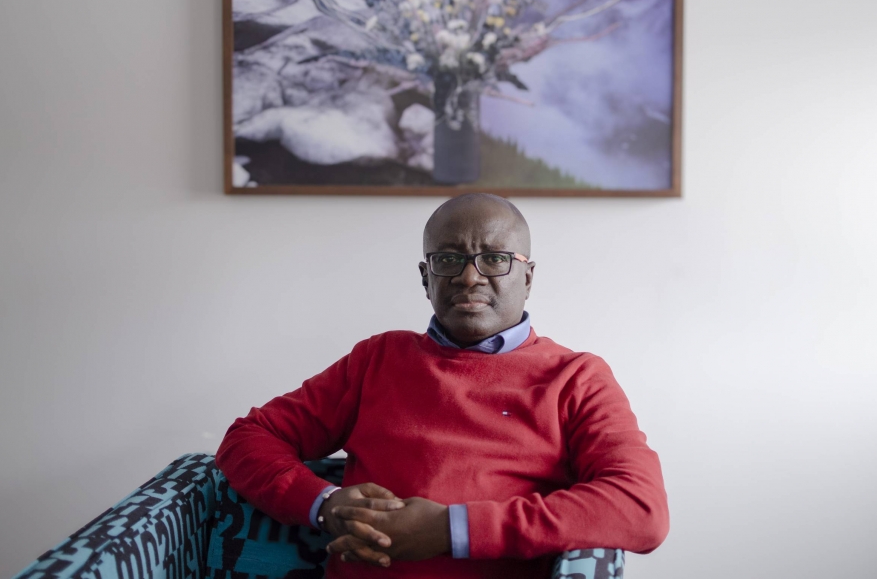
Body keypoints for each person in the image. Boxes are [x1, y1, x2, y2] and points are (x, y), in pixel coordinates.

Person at [216, 193, 668, 578]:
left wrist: (451, 530)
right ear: (425, 278)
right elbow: (249, 438)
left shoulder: (576, 378)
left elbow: (640, 506)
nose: (469, 277)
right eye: (448, 260)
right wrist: (327, 504)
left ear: (528, 277)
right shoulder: (377, 359)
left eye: (495, 259)